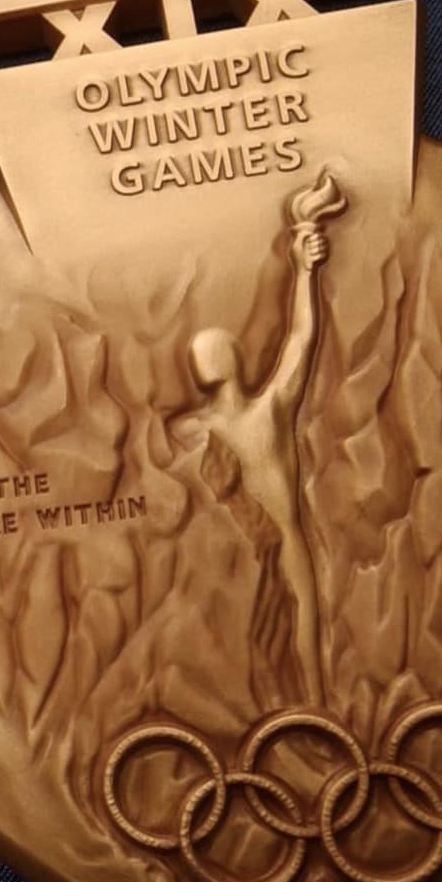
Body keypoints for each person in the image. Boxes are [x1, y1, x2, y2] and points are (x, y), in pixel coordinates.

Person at [171, 174, 344, 706]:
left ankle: (317, 718)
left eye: (209, 350)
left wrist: (305, 270)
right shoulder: (194, 431)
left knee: (303, 652)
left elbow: (302, 339)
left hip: (287, 549)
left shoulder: (267, 413)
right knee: (262, 657)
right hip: (242, 563)